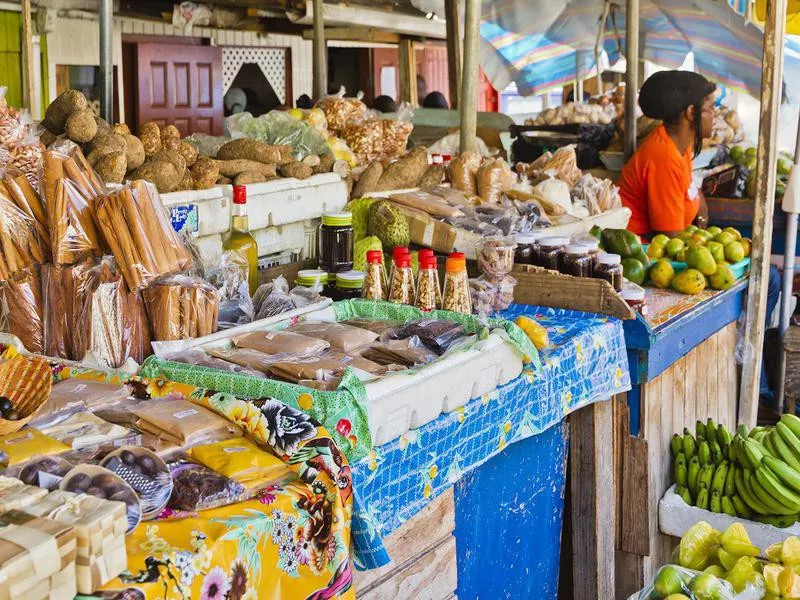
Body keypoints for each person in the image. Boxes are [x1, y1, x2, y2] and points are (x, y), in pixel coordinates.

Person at [618, 70, 714, 237]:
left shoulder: (680, 145)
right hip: (642, 251)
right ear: (691, 113)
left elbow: (690, 188)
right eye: (711, 107)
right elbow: (669, 237)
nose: (715, 114)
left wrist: (701, 215)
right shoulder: (664, 157)